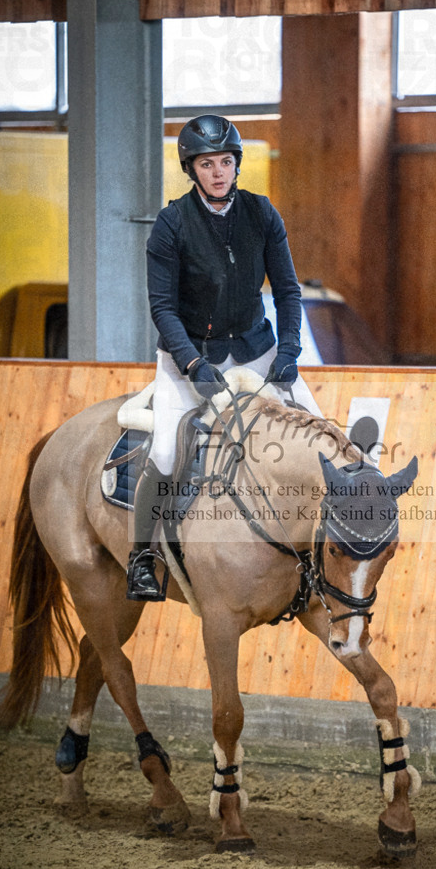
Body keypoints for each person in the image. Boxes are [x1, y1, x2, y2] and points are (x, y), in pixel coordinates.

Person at [127, 113, 321, 601]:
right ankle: (142, 557)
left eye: (226, 162)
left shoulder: (261, 212)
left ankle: (323, 555)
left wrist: (291, 349)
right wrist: (193, 366)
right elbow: (162, 308)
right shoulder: (171, 223)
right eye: (207, 164)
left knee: (318, 438)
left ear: (237, 165)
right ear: (191, 170)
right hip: (188, 354)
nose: (218, 171)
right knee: (168, 452)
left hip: (257, 347)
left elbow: (289, 290)